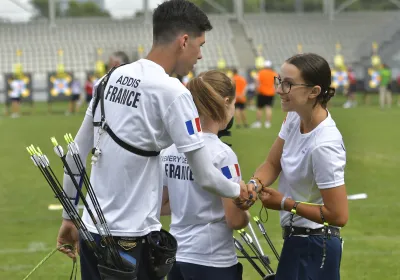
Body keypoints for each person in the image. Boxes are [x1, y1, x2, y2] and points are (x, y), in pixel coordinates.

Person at [56, 1, 259, 280]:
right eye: (200, 45)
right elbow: (206, 177)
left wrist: (69, 216)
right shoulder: (173, 92)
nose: (200, 56)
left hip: (92, 232)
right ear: (184, 41)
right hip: (131, 240)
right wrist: (239, 191)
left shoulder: (109, 78)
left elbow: (75, 154)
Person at [253, 53, 348, 280]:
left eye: (288, 84)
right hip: (298, 241)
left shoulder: (325, 144)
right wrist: (253, 186)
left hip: (316, 245)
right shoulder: (294, 118)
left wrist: (285, 203)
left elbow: (338, 214)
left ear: (314, 92)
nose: (278, 90)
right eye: (280, 81)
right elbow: (272, 163)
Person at [160, 70, 249, 280]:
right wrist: (245, 204)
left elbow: (161, 205)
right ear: (226, 101)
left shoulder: (171, 149)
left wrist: (190, 202)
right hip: (212, 260)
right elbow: (235, 220)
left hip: (177, 258)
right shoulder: (222, 153)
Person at [251, 60, 276, 129]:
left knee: (259, 108)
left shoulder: (260, 72)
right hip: (271, 93)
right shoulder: (274, 73)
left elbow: (256, 82)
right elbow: (276, 84)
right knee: (269, 108)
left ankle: (258, 123)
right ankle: (267, 123)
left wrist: (256, 90)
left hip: (261, 92)